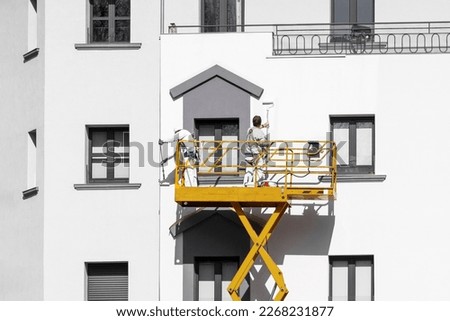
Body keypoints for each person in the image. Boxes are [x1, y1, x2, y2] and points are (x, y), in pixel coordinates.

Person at [243, 115, 269, 186]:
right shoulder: (259, 132)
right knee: (259, 170)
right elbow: (262, 142)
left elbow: (255, 130)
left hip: (248, 154)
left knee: (249, 171)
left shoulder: (249, 130)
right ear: (260, 122)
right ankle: (255, 185)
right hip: (255, 155)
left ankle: (245, 185)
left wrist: (263, 126)